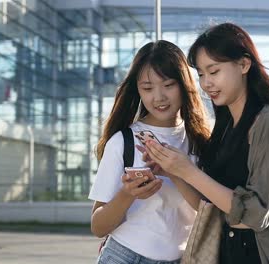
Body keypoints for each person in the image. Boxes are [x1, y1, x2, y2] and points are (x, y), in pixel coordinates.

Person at [144, 23, 269, 263]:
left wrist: (189, 170)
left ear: (244, 64)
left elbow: (256, 214)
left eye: (214, 71)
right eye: (201, 74)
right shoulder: (224, 129)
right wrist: (175, 172)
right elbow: (212, 208)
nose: (206, 83)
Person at [89, 40, 210, 264]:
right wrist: (128, 193)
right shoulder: (122, 141)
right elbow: (98, 226)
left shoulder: (200, 142)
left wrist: (176, 172)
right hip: (123, 256)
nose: (159, 97)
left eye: (168, 85)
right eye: (147, 88)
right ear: (138, 90)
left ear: (184, 84)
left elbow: (208, 213)